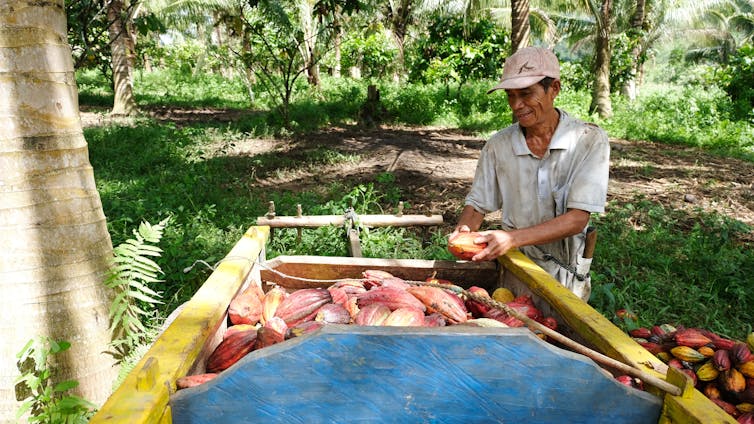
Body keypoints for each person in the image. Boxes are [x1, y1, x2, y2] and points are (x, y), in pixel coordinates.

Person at [449, 46, 610, 301]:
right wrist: (463, 233)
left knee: (559, 336)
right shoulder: (498, 146)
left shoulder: (588, 140)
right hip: (516, 269)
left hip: (565, 274)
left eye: (526, 94)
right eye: (510, 96)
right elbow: (478, 204)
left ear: (554, 89)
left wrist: (511, 238)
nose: (516, 105)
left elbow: (577, 219)